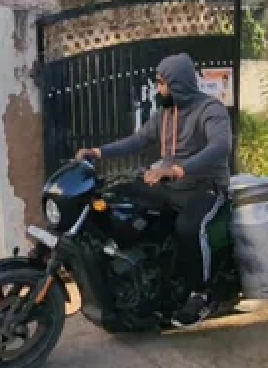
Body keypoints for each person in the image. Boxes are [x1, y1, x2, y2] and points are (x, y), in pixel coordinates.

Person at [75, 53, 233, 327]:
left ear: (178, 84)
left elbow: (220, 146)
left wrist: (176, 170)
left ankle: (201, 294)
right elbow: (138, 140)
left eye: (162, 83)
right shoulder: (165, 114)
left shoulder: (210, 110)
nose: (158, 89)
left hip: (204, 187)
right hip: (171, 186)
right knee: (121, 195)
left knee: (188, 229)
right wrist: (98, 152)